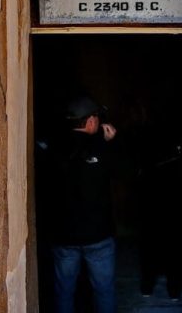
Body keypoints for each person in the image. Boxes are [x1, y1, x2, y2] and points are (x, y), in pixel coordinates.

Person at [47, 96, 119, 313]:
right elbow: (123, 172)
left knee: (64, 291)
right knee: (104, 291)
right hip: (98, 236)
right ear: (90, 121)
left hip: (64, 236)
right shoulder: (101, 147)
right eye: (96, 117)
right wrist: (111, 144)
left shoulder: (53, 147)